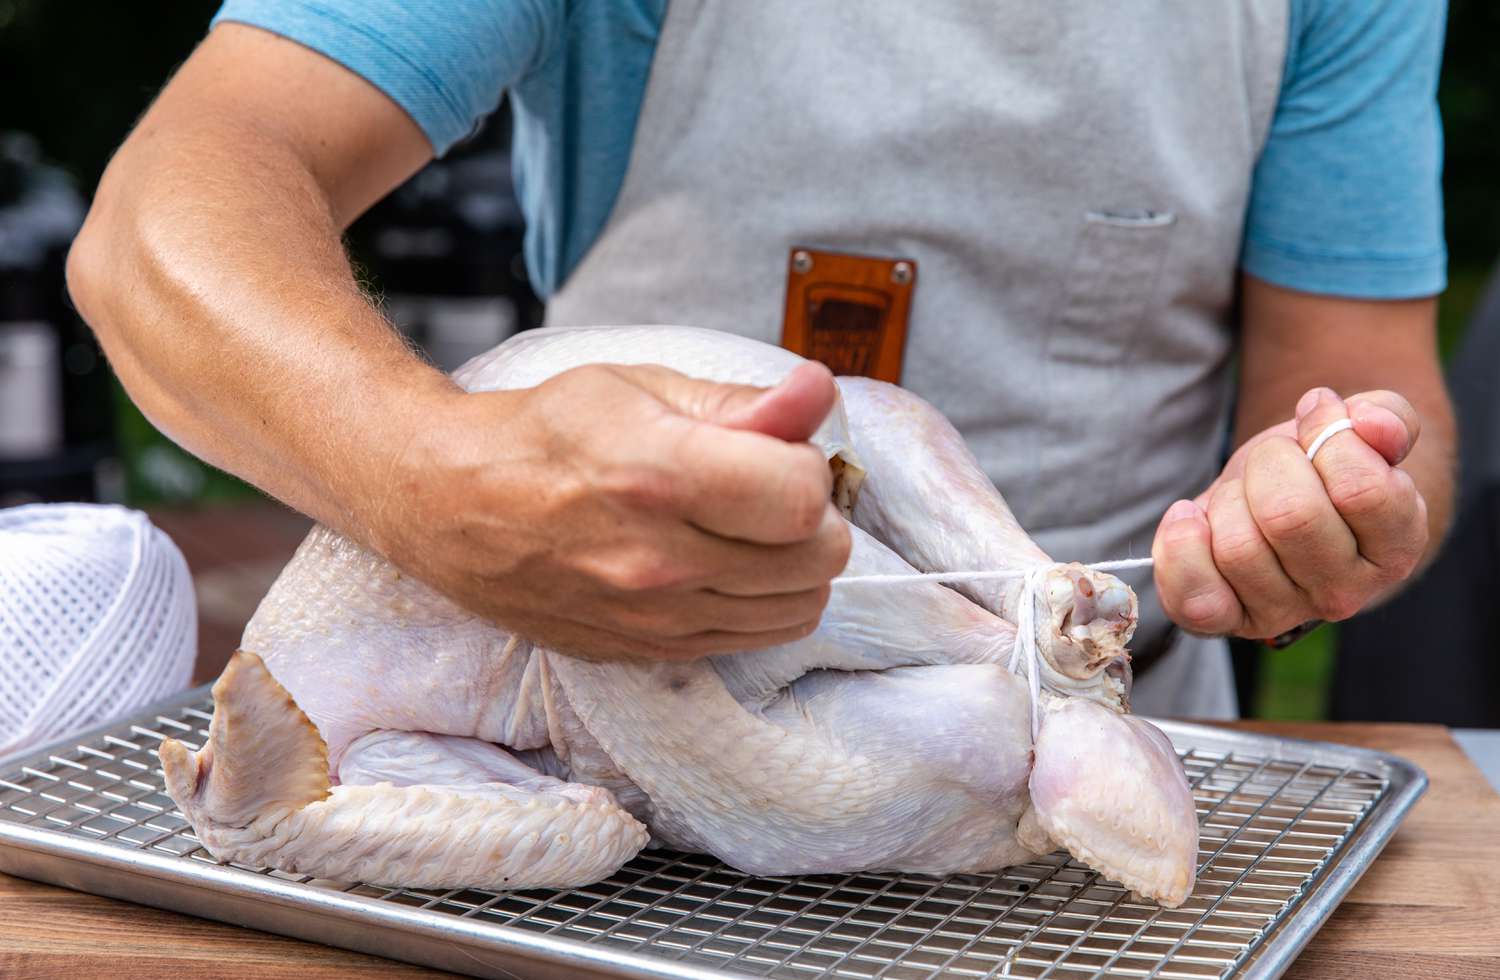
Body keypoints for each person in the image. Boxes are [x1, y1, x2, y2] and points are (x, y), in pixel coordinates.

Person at [66, 1, 1455, 718]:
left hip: (1101, 736)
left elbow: (1366, 381)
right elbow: (164, 216)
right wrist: (426, 475)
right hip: (604, 718)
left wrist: (1330, 492)